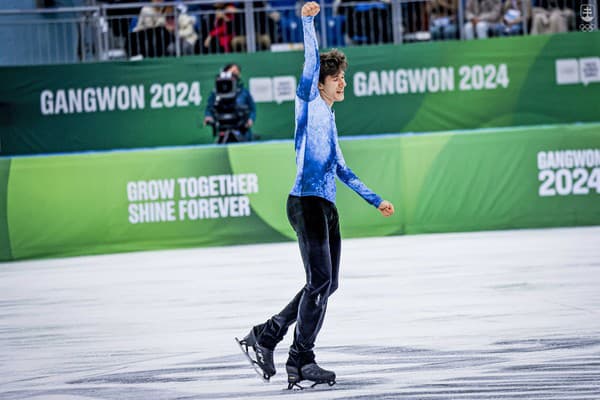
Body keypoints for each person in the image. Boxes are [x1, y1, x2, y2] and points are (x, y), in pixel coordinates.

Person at [236, 1, 395, 389]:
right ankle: (300, 358)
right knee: (320, 280)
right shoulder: (308, 102)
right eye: (337, 77)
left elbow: (341, 167)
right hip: (305, 202)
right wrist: (308, 21)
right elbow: (311, 60)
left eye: (343, 77)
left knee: (327, 283)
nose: (343, 82)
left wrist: (375, 199)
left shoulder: (331, 117)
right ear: (321, 82)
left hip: (326, 206)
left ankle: (267, 335)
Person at [203, 63, 256, 142]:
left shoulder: (244, 92)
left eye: (237, 71)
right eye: (232, 71)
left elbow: (252, 109)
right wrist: (208, 116)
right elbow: (209, 108)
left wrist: (250, 119)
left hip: (242, 130)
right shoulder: (216, 93)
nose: (235, 73)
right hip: (223, 129)